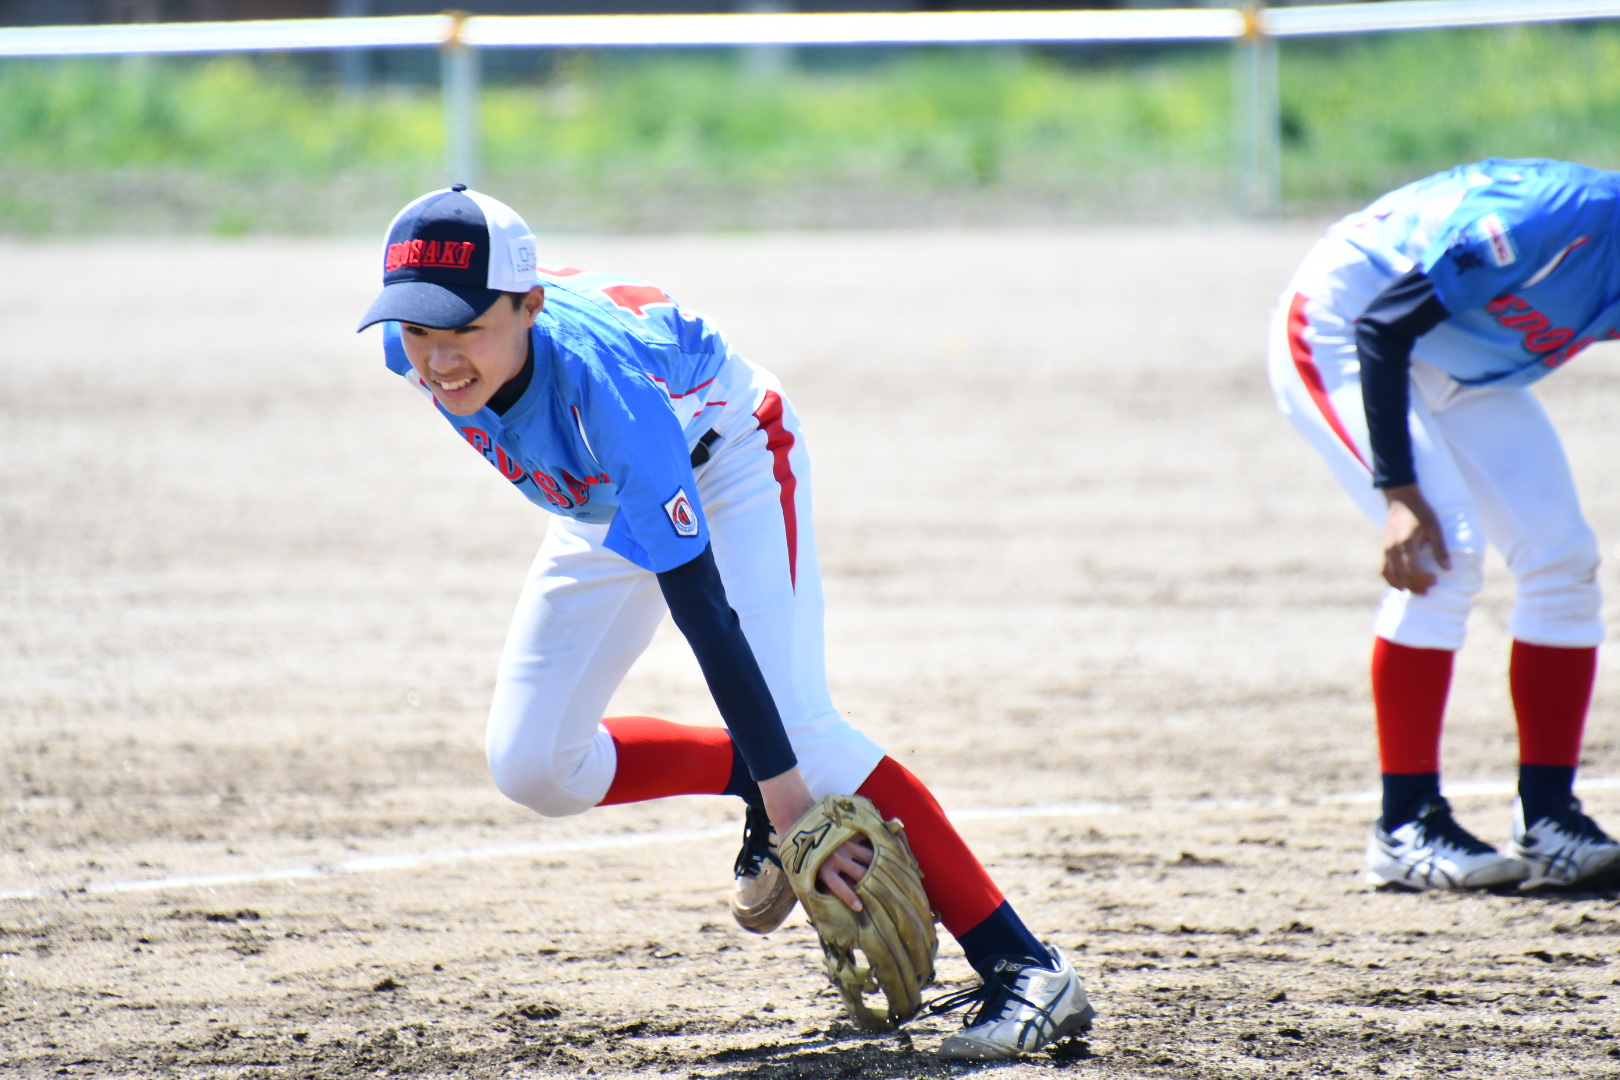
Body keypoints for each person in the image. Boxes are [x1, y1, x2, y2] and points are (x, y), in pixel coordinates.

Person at [356, 185, 1094, 1057]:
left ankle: (1025, 967)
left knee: (800, 733)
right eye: (418, 328)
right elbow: (501, 392)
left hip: (723, 458)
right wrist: (768, 783)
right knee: (533, 764)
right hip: (607, 497)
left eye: (466, 328)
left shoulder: (609, 395)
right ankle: (748, 770)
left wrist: (794, 799)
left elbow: (701, 608)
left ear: (530, 306)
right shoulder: (423, 351)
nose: (439, 358)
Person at [1268, 158, 1620, 891]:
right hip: (1346, 327)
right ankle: (1404, 826)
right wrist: (1399, 493)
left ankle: (1550, 818)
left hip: (1460, 359)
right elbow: (1383, 325)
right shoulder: (1546, 220)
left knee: (1563, 558)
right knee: (1444, 550)